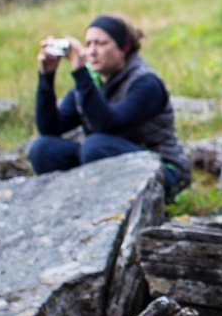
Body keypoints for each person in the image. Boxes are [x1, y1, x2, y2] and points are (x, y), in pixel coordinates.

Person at [29, 14, 190, 198]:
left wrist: (81, 73)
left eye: (100, 43)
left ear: (124, 47)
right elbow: (50, 128)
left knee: (95, 146)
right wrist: (46, 76)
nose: (92, 51)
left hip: (162, 171)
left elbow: (108, 125)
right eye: (88, 44)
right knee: (43, 149)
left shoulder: (146, 83)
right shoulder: (90, 83)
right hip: (111, 158)